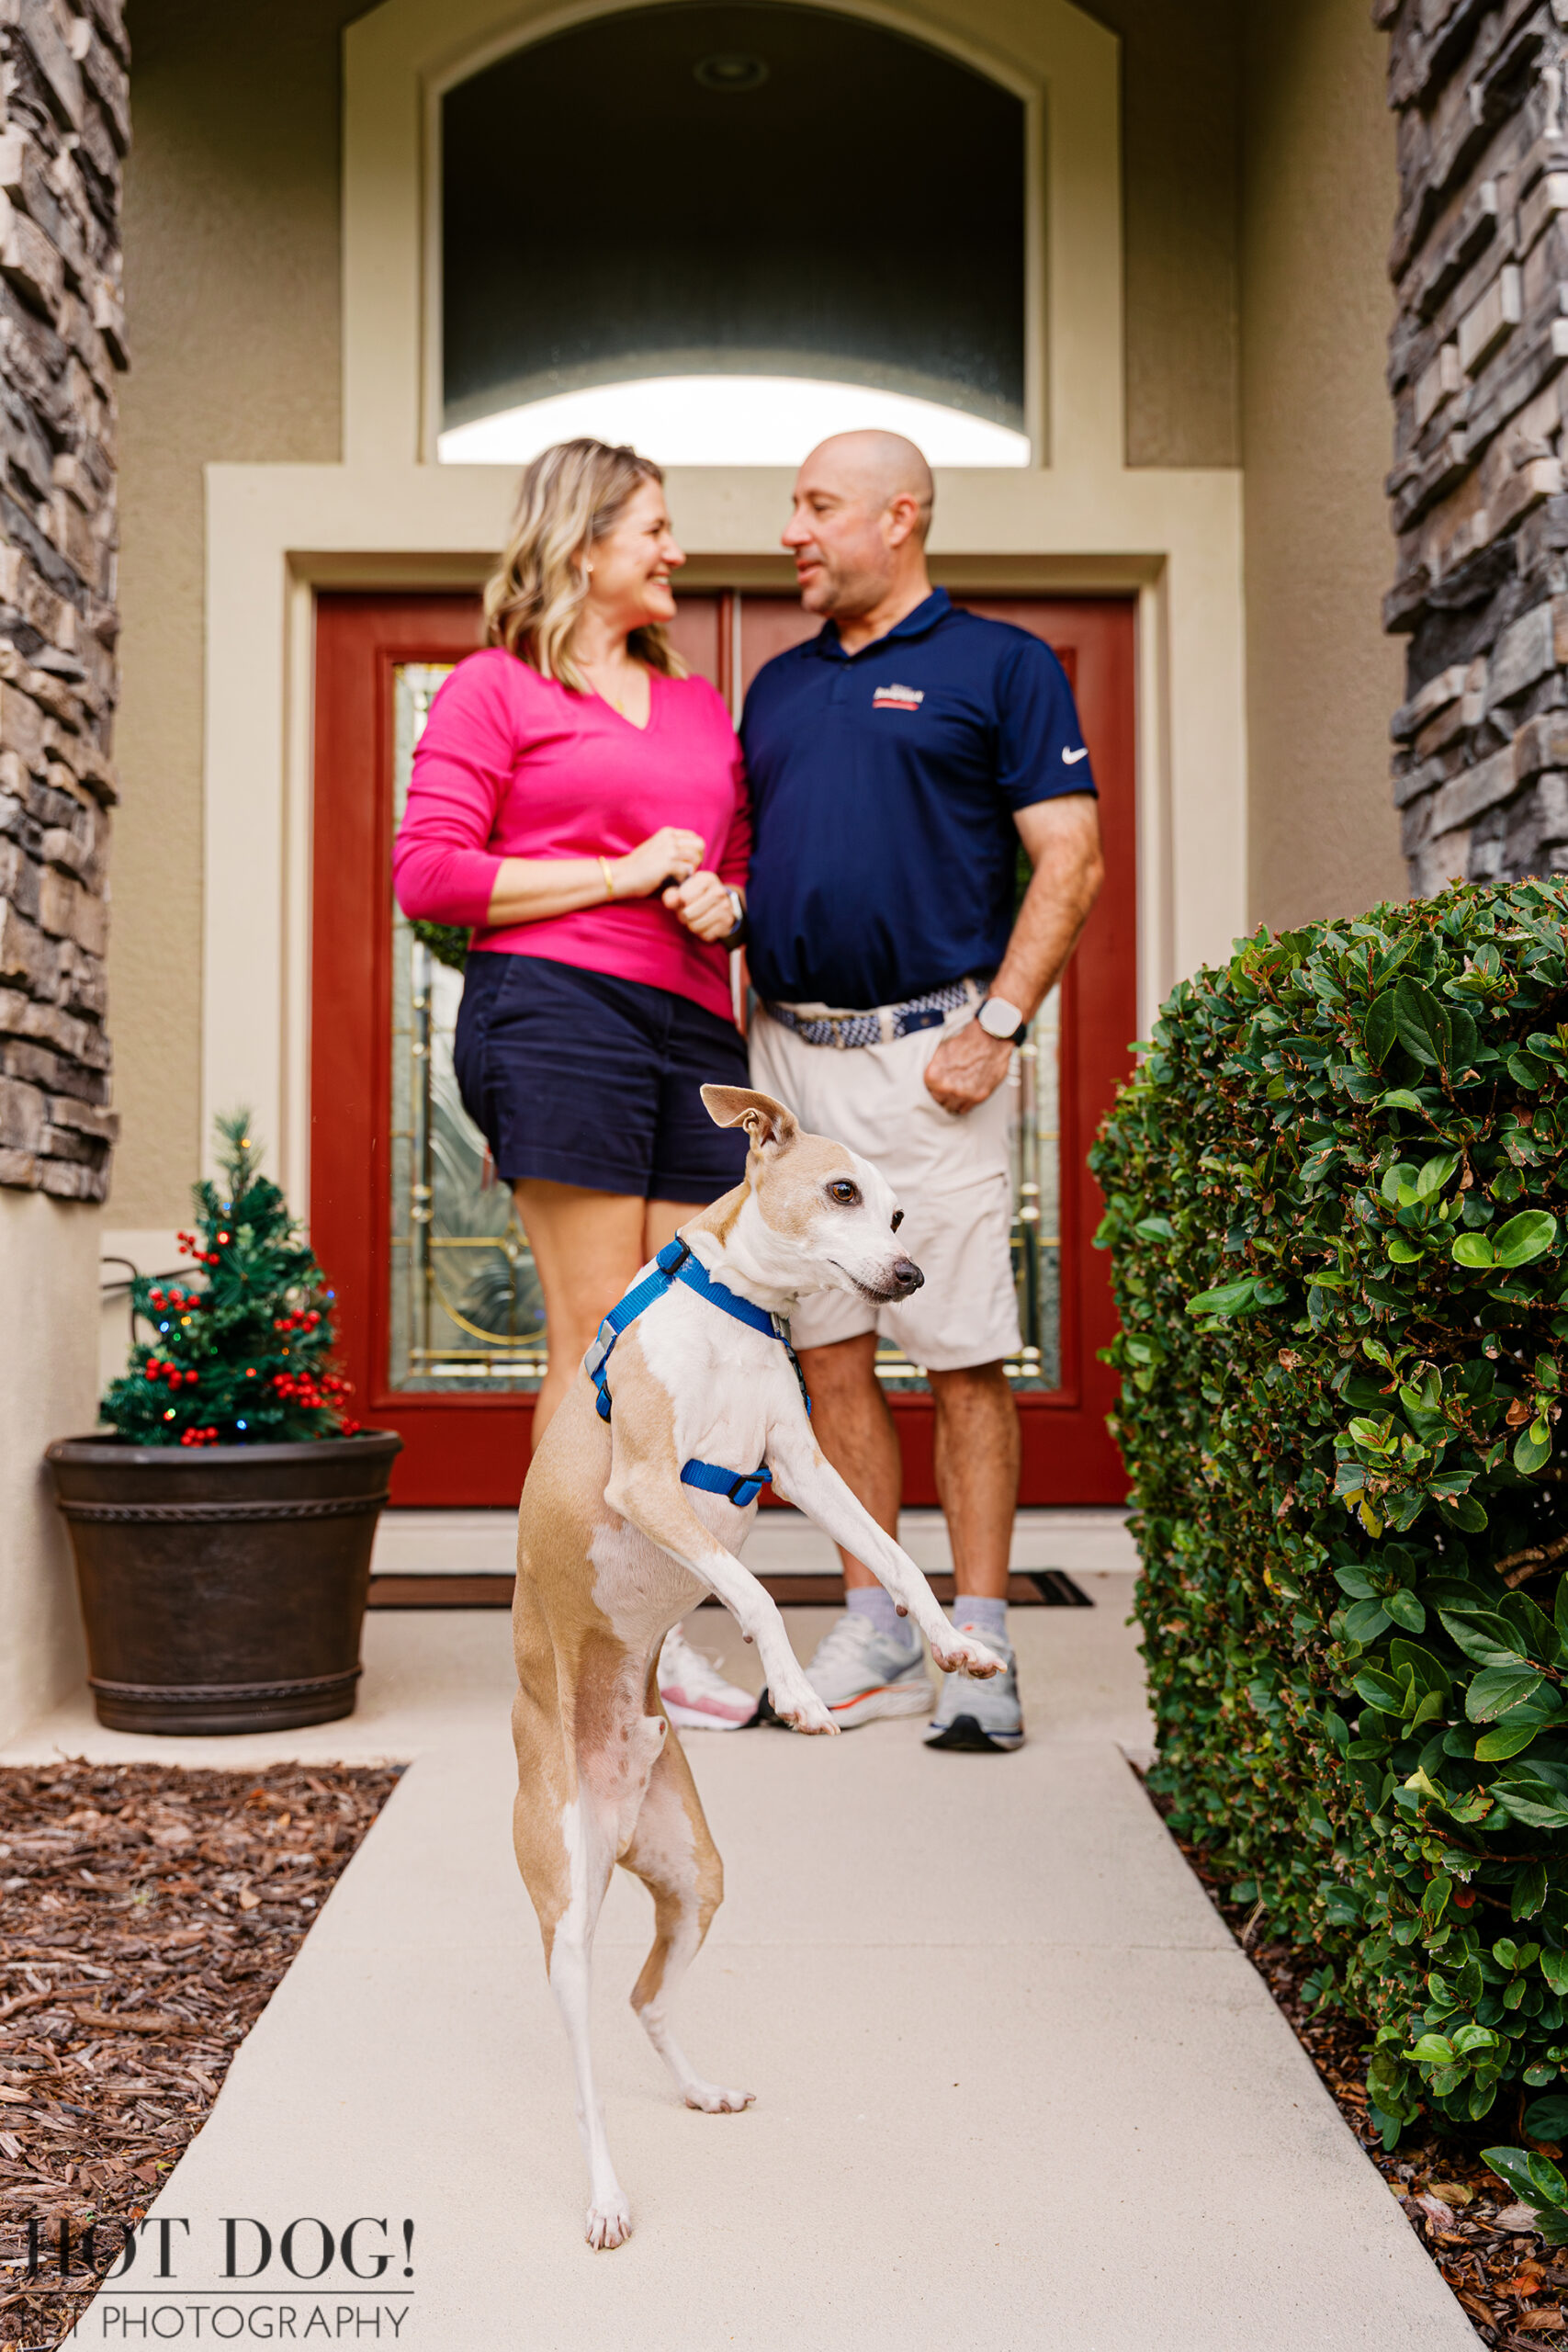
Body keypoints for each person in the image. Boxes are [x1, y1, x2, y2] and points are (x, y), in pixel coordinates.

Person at [742, 429, 1105, 1752]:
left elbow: (1071, 860)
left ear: (901, 517)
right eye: (795, 505)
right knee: (830, 1357)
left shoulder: (1000, 668)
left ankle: (982, 1638)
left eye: (817, 505)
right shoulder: (775, 688)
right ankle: (878, 1618)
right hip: (791, 1058)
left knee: (959, 1358)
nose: (795, 529)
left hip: (931, 1064)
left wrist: (1000, 1026)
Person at [392, 436, 759, 1731]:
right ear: (584, 541)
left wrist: (726, 899)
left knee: (689, 1349)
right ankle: (572, 1647)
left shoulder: (703, 708)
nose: (676, 551)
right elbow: (428, 875)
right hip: (555, 1011)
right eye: (654, 528)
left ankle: (655, 1634)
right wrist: (615, 874)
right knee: (601, 1337)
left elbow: (737, 863)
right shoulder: (496, 689)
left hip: (692, 1023)